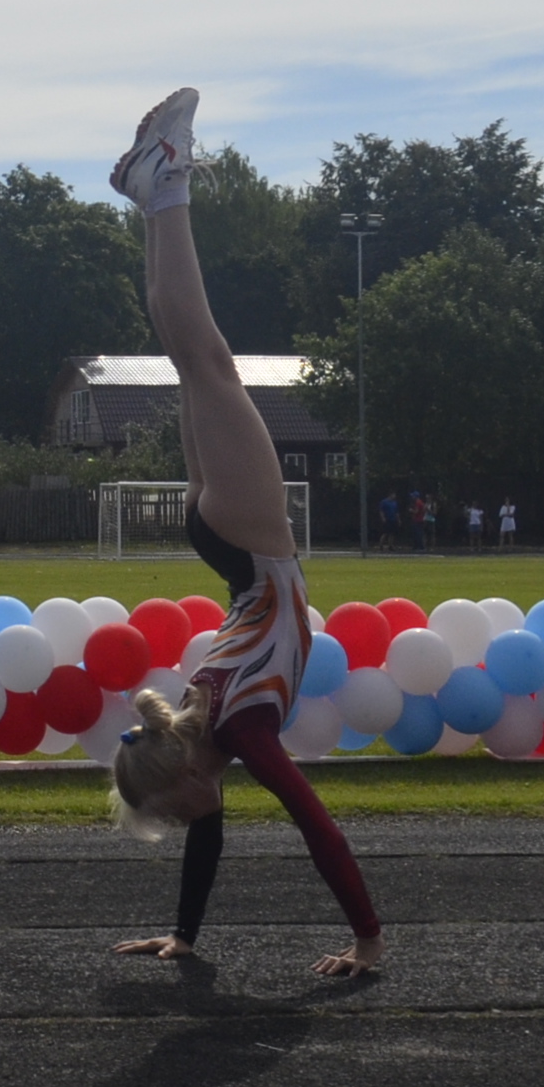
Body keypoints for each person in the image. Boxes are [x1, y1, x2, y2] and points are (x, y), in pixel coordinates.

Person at [99, 91, 385, 979]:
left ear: (187, 779)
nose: (189, 823)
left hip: (255, 548)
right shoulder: (204, 737)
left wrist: (369, 941)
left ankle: (167, 185)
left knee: (205, 355)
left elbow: (315, 823)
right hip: (228, 548)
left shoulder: (240, 734)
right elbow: (219, 842)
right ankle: (152, 196)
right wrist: (184, 937)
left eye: (178, 814)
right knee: (192, 357)